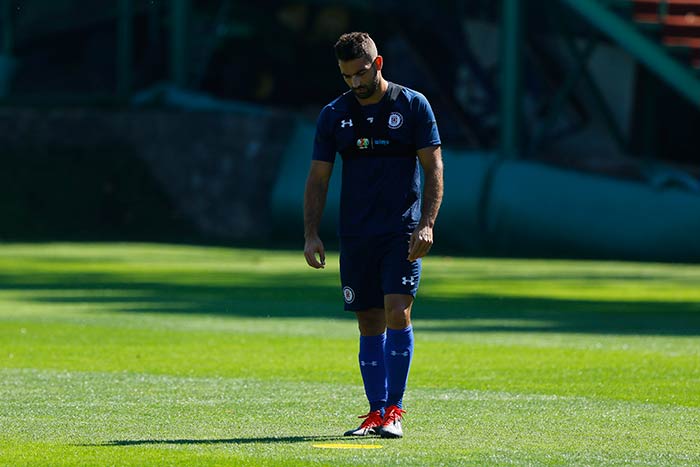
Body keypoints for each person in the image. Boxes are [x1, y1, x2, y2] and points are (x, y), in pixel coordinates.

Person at [303, 31, 443, 439]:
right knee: (368, 320)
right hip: (357, 233)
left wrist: (427, 223)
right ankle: (375, 412)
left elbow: (434, 167)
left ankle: (395, 410)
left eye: (361, 73)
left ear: (377, 64)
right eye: (347, 76)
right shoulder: (334, 115)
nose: (355, 83)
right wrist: (311, 233)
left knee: (397, 310)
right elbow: (318, 178)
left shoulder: (413, 106)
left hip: (401, 229)